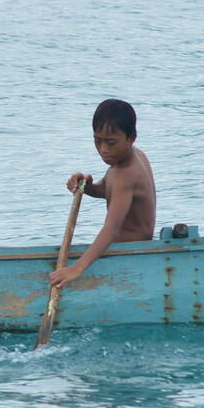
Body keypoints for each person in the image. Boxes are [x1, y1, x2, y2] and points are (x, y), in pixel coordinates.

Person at [48, 98, 156, 289]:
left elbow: (111, 229)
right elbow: (109, 191)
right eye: (98, 141)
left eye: (111, 143)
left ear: (131, 138)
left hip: (131, 254)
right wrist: (86, 187)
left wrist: (78, 267)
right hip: (127, 249)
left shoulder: (126, 173)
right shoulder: (128, 159)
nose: (103, 150)